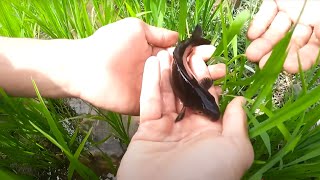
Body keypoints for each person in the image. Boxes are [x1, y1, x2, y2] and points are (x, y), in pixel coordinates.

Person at [0, 0, 319, 179]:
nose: (210, 110)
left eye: (209, 108)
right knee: (181, 59)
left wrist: (83, 64)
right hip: (181, 66)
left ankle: (189, 45)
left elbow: (199, 92)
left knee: (183, 59)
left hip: (183, 66)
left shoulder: (200, 99)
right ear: (203, 104)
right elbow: (197, 92)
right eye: (209, 108)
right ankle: (189, 45)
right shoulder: (197, 100)